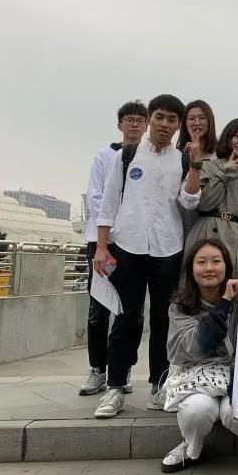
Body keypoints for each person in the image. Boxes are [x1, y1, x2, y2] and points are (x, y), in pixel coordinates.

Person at [93, 94, 201, 418]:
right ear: (149, 119)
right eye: (160, 117)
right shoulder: (126, 155)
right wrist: (101, 247)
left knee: (164, 320)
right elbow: (108, 203)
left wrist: (195, 166)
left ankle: (160, 385)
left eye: (172, 120)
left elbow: (189, 202)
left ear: (178, 125)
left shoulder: (182, 160)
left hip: (168, 248)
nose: (165, 125)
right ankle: (115, 387)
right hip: (128, 246)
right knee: (125, 318)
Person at [160, 238, 238, 474]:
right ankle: (191, 447)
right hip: (197, 376)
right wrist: (224, 303)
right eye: (201, 262)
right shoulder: (179, 306)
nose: (209, 268)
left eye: (216, 261)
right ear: (191, 269)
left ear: (227, 267)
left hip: (237, 373)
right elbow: (197, 345)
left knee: (235, 411)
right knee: (197, 410)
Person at [78, 100, 146, 396]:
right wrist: (111, 230)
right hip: (102, 241)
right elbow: (96, 196)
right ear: (119, 124)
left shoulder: (149, 157)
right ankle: (97, 369)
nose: (135, 124)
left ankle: (124, 368)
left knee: (131, 311)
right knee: (99, 308)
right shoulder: (104, 156)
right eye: (129, 119)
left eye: (140, 120)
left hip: (134, 244)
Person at [181, 118, 238, 278]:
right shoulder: (208, 166)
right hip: (206, 232)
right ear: (228, 137)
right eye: (237, 136)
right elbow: (204, 203)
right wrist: (225, 172)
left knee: (236, 284)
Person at [177, 100, 219, 239]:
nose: (197, 122)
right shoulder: (177, 156)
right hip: (180, 226)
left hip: (211, 230)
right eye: (191, 118)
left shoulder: (220, 155)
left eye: (202, 118)